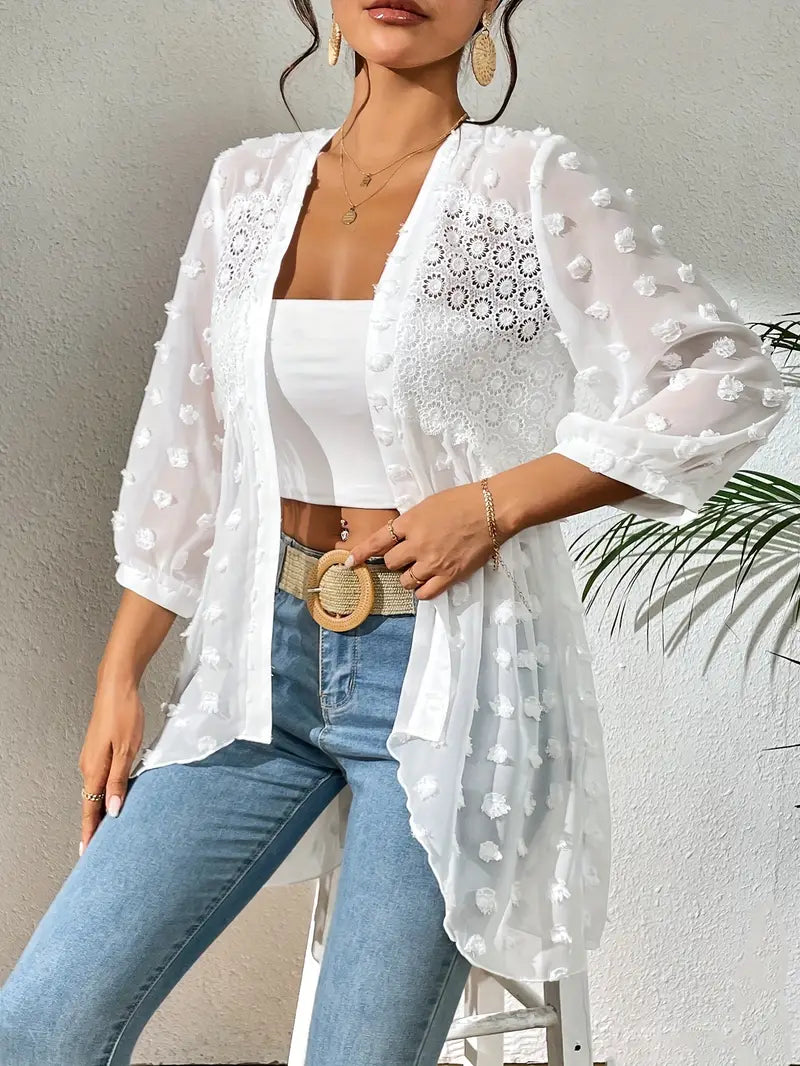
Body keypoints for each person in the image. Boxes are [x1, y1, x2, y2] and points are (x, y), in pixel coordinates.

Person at [0, 1, 790, 1064]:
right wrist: (120, 671)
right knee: (39, 1024)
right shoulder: (246, 185)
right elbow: (187, 443)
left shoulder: (531, 181)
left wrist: (495, 504)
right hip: (255, 669)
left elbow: (721, 378)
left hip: (450, 677)